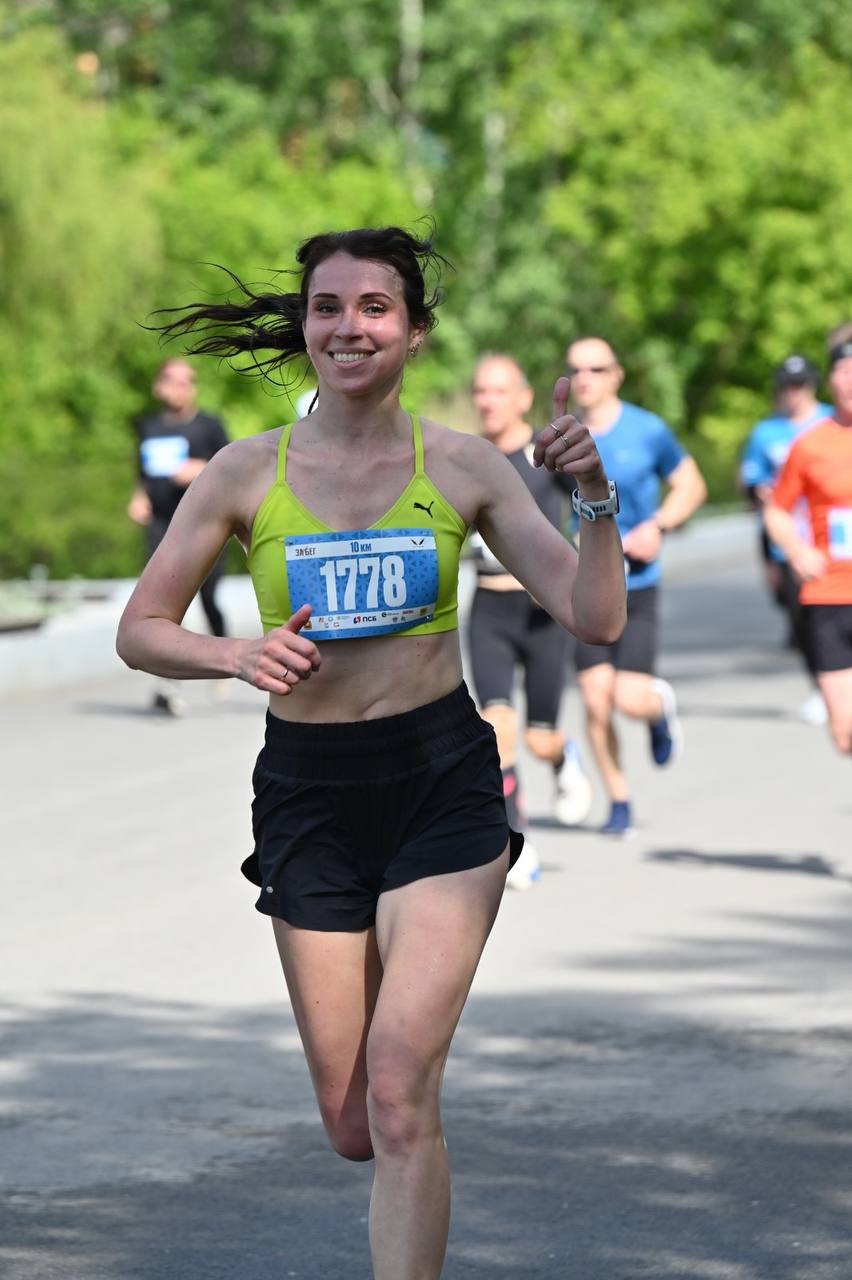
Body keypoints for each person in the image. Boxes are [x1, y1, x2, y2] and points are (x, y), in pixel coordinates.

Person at [116, 225, 626, 1280]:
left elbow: (594, 614)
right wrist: (236, 652)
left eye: (375, 307)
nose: (349, 326)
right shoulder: (244, 471)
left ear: (415, 330)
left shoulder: (465, 465)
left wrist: (594, 500)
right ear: (306, 326)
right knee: (355, 1120)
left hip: (440, 779)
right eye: (328, 307)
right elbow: (141, 629)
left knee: (398, 1089)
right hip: (308, 792)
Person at [565, 335, 707, 836]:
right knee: (594, 699)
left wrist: (658, 526)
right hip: (585, 584)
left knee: (628, 697)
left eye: (596, 369)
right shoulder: (564, 435)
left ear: (617, 375)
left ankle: (657, 708)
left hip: (638, 582)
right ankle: (619, 800)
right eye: (576, 369)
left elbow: (692, 485)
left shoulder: (648, 430)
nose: (584, 378)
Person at [467, 353, 593, 890]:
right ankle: (516, 842)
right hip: (489, 612)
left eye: (499, 391)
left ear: (522, 398)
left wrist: (574, 572)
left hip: (542, 615)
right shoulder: (464, 458)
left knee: (540, 740)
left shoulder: (545, 455)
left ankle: (563, 759)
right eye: (480, 391)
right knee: (497, 730)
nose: (487, 401)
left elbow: (588, 511)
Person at [764, 337, 852, 757]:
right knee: (845, 732)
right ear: (830, 380)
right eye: (843, 371)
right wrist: (797, 550)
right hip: (829, 593)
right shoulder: (809, 444)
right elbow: (777, 511)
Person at [127, 357, 231, 714]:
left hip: (204, 527)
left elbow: (234, 468)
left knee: (208, 598)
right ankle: (166, 684)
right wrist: (139, 497)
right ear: (159, 386)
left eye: (188, 381)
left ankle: (224, 655)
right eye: (173, 380)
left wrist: (202, 468)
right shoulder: (149, 426)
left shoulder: (209, 426)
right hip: (161, 525)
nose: (181, 388)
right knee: (163, 604)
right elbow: (142, 470)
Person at [739, 355, 832, 724]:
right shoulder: (766, 433)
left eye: (800, 385)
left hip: (834, 543)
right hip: (787, 544)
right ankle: (822, 688)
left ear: (813, 385)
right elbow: (752, 486)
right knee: (803, 623)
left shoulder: (835, 421)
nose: (793, 392)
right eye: (786, 386)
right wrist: (759, 492)